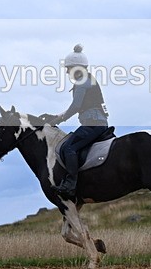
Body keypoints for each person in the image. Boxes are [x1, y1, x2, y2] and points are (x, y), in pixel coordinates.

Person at [45, 44, 109, 200]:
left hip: (93, 123)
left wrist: (59, 119)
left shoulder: (82, 81)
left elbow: (75, 106)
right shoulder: (88, 79)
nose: (67, 72)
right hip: (97, 122)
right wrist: (56, 116)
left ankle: (70, 184)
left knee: (68, 148)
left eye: (68, 68)